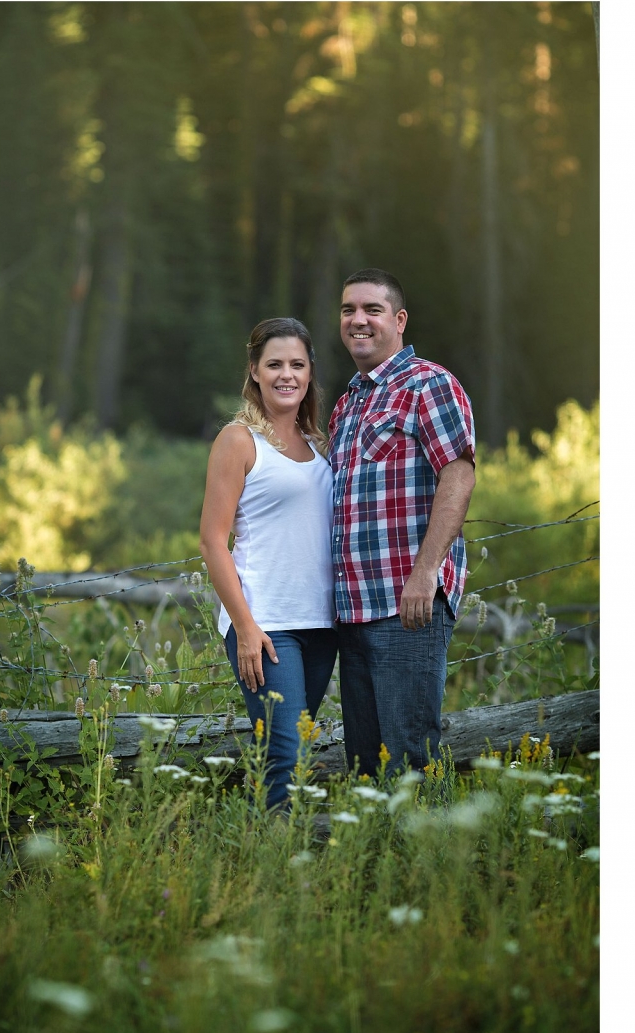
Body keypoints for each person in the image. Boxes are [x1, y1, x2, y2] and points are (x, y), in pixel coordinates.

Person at [328, 267, 476, 778]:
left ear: (399, 319)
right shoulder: (348, 404)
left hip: (406, 604)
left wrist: (425, 572)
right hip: (353, 610)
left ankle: (425, 856)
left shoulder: (428, 384)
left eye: (372, 309)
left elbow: (457, 476)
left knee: (411, 757)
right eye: (349, 309)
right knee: (365, 765)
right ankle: (375, 858)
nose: (358, 320)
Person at [200, 317, 338, 809]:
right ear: (254, 371)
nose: (287, 374)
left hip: (322, 625)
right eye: (274, 364)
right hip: (266, 625)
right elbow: (213, 541)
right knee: (286, 754)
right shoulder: (238, 441)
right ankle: (282, 868)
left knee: (291, 754)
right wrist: (244, 626)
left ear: (309, 373)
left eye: (297, 364)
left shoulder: (321, 446)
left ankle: (271, 861)